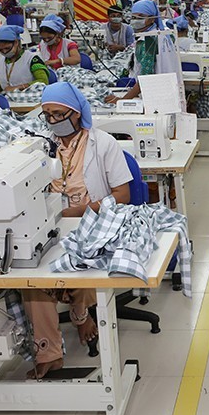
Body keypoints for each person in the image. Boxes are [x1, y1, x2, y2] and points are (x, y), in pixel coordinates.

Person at [24, 82, 132, 379]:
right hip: (53, 223)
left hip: (94, 221)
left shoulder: (103, 143)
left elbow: (122, 195)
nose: (53, 121)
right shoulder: (41, 145)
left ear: (76, 113)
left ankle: (81, 315)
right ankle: (48, 350)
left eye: (59, 114)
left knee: (77, 256)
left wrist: (81, 211)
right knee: (30, 276)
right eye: (47, 115)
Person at [106, 0, 179, 103]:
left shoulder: (149, 40)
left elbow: (145, 79)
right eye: (134, 17)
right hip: (170, 92)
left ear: (152, 19)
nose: (136, 20)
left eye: (141, 17)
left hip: (157, 98)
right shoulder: (164, 35)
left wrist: (122, 100)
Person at [0, 25, 49, 93]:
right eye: (1, 49)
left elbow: (43, 81)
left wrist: (18, 87)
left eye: (7, 48)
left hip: (31, 100)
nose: (4, 52)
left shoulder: (32, 59)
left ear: (16, 42)